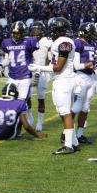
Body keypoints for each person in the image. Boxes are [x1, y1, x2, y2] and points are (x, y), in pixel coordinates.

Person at [29, 17, 79, 155]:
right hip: (61, 80)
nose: (51, 30)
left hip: (64, 79)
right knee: (62, 111)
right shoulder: (60, 41)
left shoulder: (64, 42)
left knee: (65, 111)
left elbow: (58, 67)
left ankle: (68, 145)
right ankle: (74, 143)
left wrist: (39, 67)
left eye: (53, 28)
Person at [1, 21, 38, 125]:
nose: (16, 35)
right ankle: (13, 123)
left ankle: (20, 124)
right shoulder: (6, 42)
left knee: (21, 102)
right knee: (9, 100)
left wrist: (37, 71)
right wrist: (1, 65)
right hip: (12, 76)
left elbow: (36, 57)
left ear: (23, 33)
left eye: (18, 33)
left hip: (25, 76)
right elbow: (7, 59)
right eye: (14, 33)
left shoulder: (30, 41)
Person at [71, 22, 97, 144]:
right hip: (80, 77)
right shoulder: (77, 43)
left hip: (90, 77)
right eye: (91, 33)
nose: (93, 35)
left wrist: (95, 64)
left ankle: (79, 134)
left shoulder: (92, 44)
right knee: (77, 106)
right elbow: (77, 65)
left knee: (85, 107)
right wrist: (91, 63)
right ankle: (66, 133)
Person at [30, 21, 52, 131]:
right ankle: (29, 116)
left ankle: (39, 122)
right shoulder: (28, 41)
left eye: (38, 29)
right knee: (26, 96)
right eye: (34, 29)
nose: (35, 32)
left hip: (42, 71)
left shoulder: (47, 41)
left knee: (41, 98)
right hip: (30, 71)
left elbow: (49, 58)